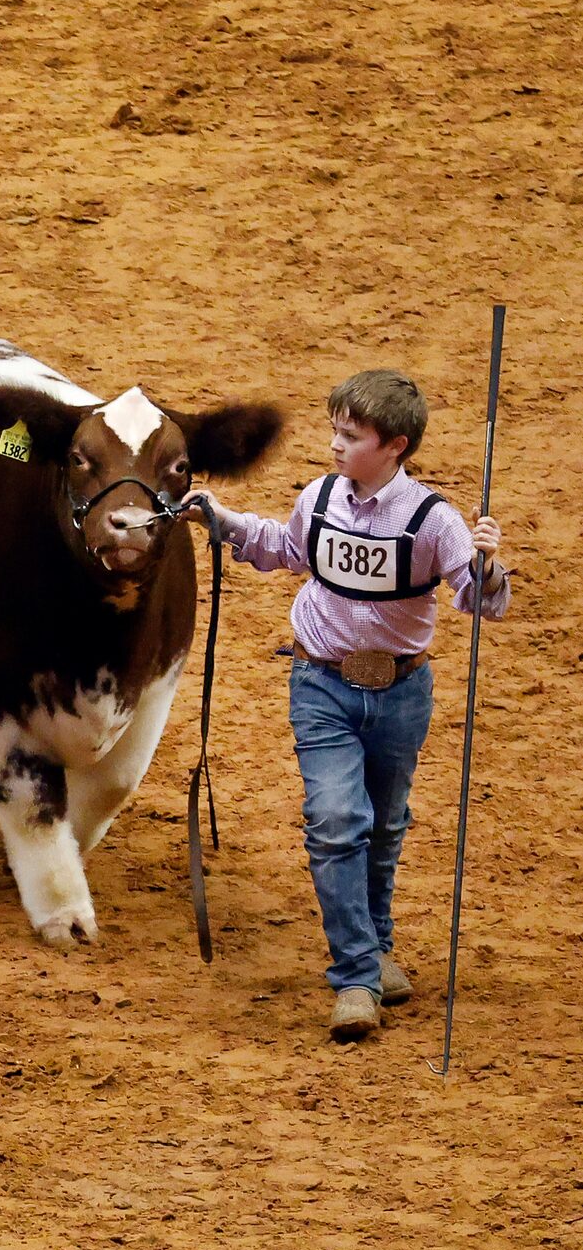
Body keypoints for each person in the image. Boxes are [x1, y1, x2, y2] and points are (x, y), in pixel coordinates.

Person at [195, 369, 510, 1042]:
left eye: (349, 436)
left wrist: (485, 566)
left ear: (393, 445)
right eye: (333, 431)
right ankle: (356, 979)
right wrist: (222, 523)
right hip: (320, 684)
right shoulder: (320, 497)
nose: (334, 446)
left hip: (401, 694)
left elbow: (480, 600)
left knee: (384, 823)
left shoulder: (433, 521)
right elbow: (283, 550)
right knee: (337, 820)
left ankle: (374, 946)